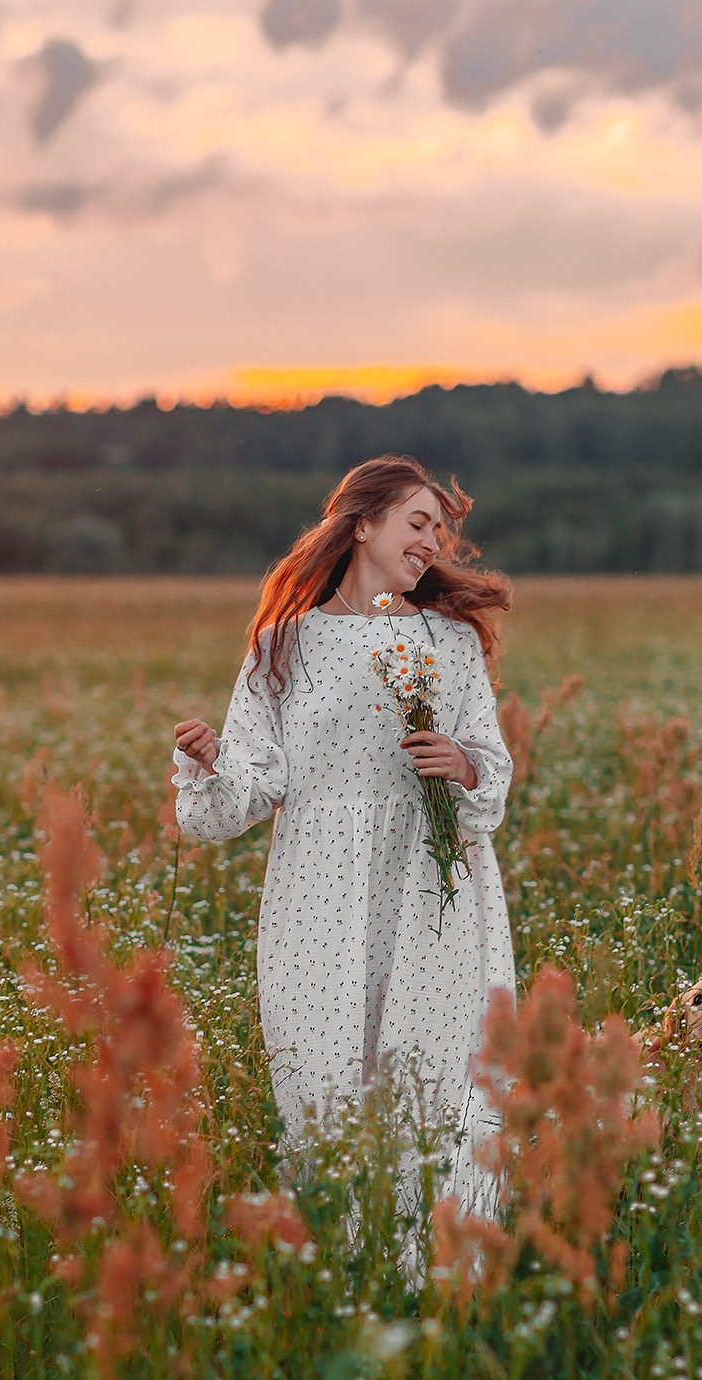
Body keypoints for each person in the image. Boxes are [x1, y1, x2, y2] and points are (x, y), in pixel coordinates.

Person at [172, 455, 515, 1218]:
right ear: (363, 525)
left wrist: (460, 764)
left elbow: (491, 764)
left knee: (437, 1072)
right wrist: (208, 765)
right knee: (327, 1076)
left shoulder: (448, 640)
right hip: (319, 892)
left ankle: (449, 1257)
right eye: (417, 523)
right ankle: (346, 1265)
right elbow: (248, 794)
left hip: (435, 886)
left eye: (441, 531)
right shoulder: (280, 645)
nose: (432, 543)